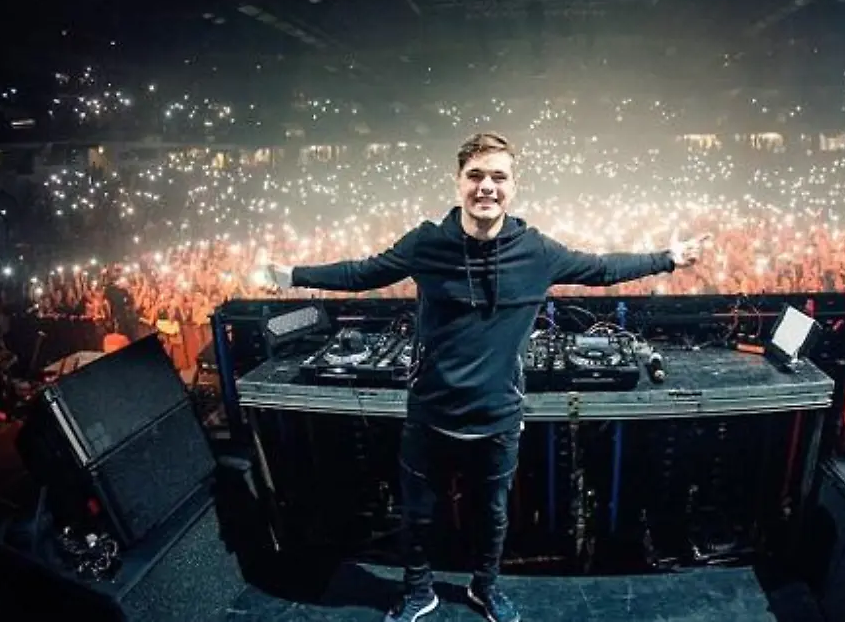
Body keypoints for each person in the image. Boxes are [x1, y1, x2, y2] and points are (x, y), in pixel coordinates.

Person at [257, 132, 709, 622]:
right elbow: (361, 274)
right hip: (429, 414)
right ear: (458, 182)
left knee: (492, 516)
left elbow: (601, 268)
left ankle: (485, 588)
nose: (486, 186)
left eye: (498, 176)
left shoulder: (536, 252)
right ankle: (418, 593)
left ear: (513, 186)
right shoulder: (427, 243)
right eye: (475, 175)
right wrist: (291, 275)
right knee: (417, 515)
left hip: (497, 418)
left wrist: (668, 258)